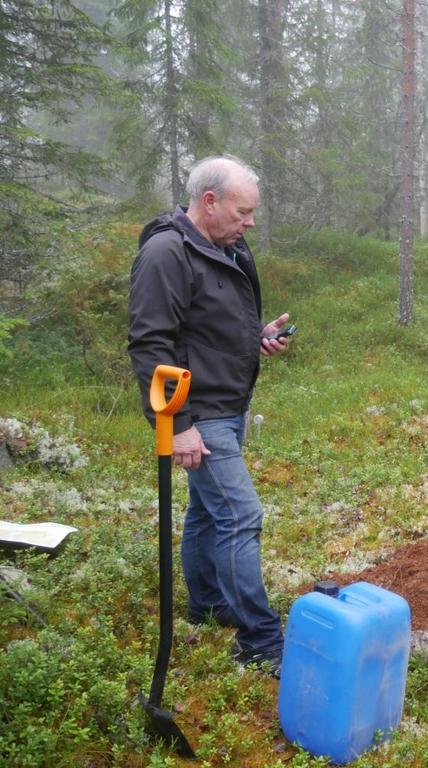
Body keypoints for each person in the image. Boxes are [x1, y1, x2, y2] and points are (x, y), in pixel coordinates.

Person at [128, 156, 290, 676]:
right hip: (201, 413)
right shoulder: (166, 253)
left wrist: (256, 335)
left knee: (205, 512)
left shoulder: (227, 247)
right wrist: (176, 426)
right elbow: (152, 344)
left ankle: (207, 606)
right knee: (241, 516)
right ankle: (260, 642)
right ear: (209, 201)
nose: (249, 224)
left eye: (252, 215)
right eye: (243, 212)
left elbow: (206, 325)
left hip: (228, 403)